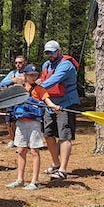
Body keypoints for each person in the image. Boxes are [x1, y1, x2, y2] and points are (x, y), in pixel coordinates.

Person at [5, 63, 61, 191]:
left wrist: (55, 107)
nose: (33, 77)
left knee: (34, 151)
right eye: (30, 75)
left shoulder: (40, 89)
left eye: (35, 75)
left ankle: (34, 181)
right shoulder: (20, 89)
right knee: (20, 150)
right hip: (20, 123)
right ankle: (20, 179)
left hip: (33, 124)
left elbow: (48, 102)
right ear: (25, 75)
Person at [39, 40, 79, 180]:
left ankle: (63, 170)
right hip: (50, 104)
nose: (49, 55)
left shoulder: (66, 65)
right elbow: (41, 81)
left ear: (59, 51)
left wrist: (34, 89)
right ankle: (56, 163)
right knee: (48, 134)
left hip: (65, 105)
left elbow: (52, 81)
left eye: (52, 52)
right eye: (47, 53)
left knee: (64, 136)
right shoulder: (46, 65)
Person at [0, 55, 27, 148]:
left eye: (20, 62)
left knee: (20, 121)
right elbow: (3, 83)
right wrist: (14, 80)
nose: (18, 64)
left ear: (24, 63)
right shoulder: (13, 73)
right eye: (16, 63)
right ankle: (12, 139)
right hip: (11, 100)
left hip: (22, 101)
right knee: (9, 121)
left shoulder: (28, 73)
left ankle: (22, 141)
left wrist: (23, 80)